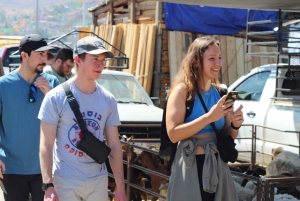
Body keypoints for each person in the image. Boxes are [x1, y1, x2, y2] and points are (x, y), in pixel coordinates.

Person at [38, 36, 127, 201]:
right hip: (64, 180)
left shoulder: (108, 100)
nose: (100, 64)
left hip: (98, 181)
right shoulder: (55, 97)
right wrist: (48, 185)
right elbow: (46, 144)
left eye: (103, 59)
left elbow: (114, 145)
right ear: (78, 60)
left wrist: (120, 187)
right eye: (95, 59)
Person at [166, 36, 244, 201]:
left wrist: (235, 125)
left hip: (218, 167)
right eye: (211, 58)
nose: (218, 63)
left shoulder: (222, 93)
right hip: (190, 167)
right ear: (196, 62)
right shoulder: (182, 92)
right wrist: (209, 117)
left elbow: (227, 136)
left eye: (220, 57)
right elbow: (173, 134)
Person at [0, 34, 60, 201]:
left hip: (46, 169)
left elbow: (64, 120)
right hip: (11, 168)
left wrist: (49, 95)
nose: (44, 59)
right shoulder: (3, 85)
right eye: (39, 54)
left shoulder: (53, 83)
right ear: (24, 55)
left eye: (46, 54)